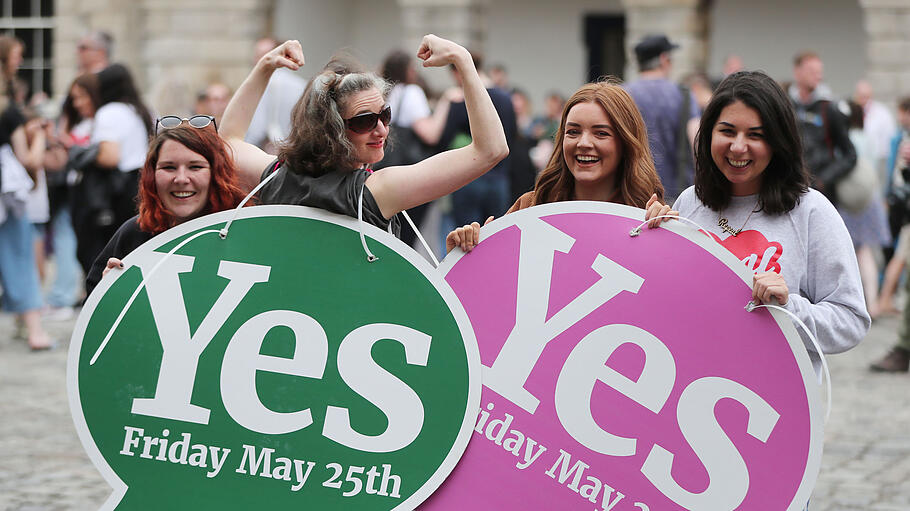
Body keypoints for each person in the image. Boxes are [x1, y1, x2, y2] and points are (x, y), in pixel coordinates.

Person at [645, 70, 869, 379]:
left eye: (756, 135)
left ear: (778, 142)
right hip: (690, 392)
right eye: (727, 131)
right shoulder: (688, 203)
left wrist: (788, 308)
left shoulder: (811, 212)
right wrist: (653, 246)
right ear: (708, 134)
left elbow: (851, 321)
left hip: (773, 408)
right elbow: (670, 309)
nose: (738, 147)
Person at [219, 35, 508, 237]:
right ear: (330, 129)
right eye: (365, 121)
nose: (381, 129)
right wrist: (463, 60)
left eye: (385, 115)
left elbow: (229, 140)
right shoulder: (376, 191)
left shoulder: (275, 177)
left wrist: (266, 66)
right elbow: (490, 150)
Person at [446, 80, 664, 253]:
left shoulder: (646, 216)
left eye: (601, 133)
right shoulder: (531, 206)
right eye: (573, 132)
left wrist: (669, 234)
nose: (584, 143)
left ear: (625, 143)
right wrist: (467, 251)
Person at [85, 123, 248, 295]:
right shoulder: (134, 233)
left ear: (217, 174)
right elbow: (92, 312)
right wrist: (107, 294)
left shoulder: (244, 235)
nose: (181, 179)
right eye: (169, 167)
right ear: (151, 176)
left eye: (195, 167)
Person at [73, 63, 153, 274]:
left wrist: (83, 154)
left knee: (112, 245)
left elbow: (110, 157)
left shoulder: (109, 112)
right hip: (143, 180)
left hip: (119, 188)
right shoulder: (141, 110)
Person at [0, 34, 53, 350]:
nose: (20, 61)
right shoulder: (10, 110)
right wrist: (41, 138)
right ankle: (34, 331)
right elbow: (28, 159)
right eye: (16, 56)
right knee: (20, 254)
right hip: (7, 193)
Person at [624, 34, 700, 202]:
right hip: (675, 195)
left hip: (632, 193)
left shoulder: (623, 95)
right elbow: (697, 142)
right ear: (664, 59)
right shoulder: (683, 95)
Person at [835, 101, 891, 318]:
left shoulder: (845, 140)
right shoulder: (867, 138)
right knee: (866, 252)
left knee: (851, 253)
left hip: (850, 202)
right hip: (870, 199)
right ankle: (873, 302)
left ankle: (856, 303)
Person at [788, 51, 856, 206]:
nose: (817, 76)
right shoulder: (785, 105)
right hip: (790, 190)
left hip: (822, 195)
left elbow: (850, 154)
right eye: (812, 71)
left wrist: (823, 179)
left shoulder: (829, 108)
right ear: (797, 72)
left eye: (819, 72)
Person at [244, 36, 307, 153]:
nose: (257, 60)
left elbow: (257, 130)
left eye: (263, 55)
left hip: (269, 155)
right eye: (256, 55)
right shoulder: (302, 85)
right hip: (296, 153)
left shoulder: (264, 84)